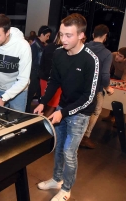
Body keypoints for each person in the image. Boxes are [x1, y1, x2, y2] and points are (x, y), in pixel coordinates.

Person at [34, 13, 99, 201]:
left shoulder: (90, 59)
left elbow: (89, 98)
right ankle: (56, 179)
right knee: (59, 147)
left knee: (70, 153)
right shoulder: (58, 53)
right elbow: (54, 81)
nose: (63, 39)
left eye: (68, 35)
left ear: (81, 35)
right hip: (63, 107)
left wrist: (63, 112)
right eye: (61, 34)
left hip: (81, 112)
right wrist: (43, 102)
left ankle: (67, 188)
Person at [80, 24, 114, 149]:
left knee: (80, 111)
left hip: (81, 86)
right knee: (95, 111)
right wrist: (108, 87)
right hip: (96, 89)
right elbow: (105, 74)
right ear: (105, 36)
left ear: (93, 34)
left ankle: (77, 135)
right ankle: (85, 137)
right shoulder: (107, 53)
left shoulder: (83, 47)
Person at [26, 25, 51, 113]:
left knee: (36, 95)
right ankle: (27, 113)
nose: (48, 38)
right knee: (30, 95)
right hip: (34, 73)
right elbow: (31, 61)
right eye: (47, 36)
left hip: (37, 73)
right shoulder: (35, 46)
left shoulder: (39, 45)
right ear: (42, 34)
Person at [38, 34, 62, 117]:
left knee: (44, 103)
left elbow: (41, 64)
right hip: (56, 81)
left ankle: (41, 123)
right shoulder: (63, 50)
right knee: (52, 105)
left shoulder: (48, 47)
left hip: (44, 79)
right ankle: (44, 125)